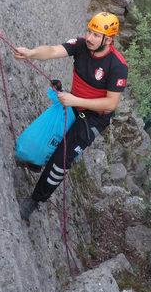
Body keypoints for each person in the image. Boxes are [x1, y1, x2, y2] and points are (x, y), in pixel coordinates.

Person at [14, 12, 128, 221]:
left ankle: (35, 201)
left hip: (94, 117)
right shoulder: (81, 45)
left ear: (109, 40)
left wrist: (76, 101)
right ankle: (36, 161)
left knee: (60, 161)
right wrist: (31, 53)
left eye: (96, 35)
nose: (90, 38)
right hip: (73, 103)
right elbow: (52, 50)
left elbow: (111, 103)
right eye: (89, 32)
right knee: (33, 142)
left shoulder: (117, 66)